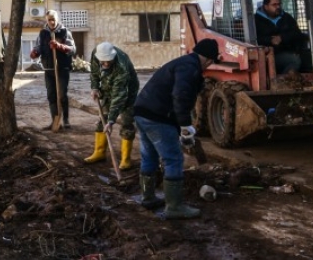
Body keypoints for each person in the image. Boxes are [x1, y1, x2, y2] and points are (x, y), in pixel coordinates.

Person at [132, 38, 220, 219]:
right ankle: (174, 207)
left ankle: (147, 198)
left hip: (142, 112)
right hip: (157, 117)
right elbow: (181, 96)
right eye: (211, 61)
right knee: (173, 159)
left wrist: (181, 126)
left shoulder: (183, 63)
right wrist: (185, 125)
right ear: (208, 59)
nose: (209, 65)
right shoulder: (190, 68)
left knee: (149, 156)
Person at [84, 42, 139, 170]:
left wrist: (111, 120)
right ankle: (99, 152)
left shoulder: (121, 67)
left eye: (109, 61)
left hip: (127, 92)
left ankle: (126, 159)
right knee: (102, 119)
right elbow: (94, 73)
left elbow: (118, 97)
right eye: (104, 62)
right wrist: (95, 87)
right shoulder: (95, 54)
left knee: (126, 122)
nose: (106, 64)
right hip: (107, 86)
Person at [30, 10, 76, 129]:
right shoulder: (43, 33)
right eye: (49, 19)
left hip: (62, 69)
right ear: (47, 20)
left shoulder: (65, 32)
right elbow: (38, 47)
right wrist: (35, 53)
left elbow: (73, 49)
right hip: (49, 69)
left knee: (61, 95)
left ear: (57, 19)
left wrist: (60, 46)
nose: (52, 21)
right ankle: (55, 121)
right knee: (51, 95)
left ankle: (65, 120)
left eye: (53, 19)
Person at [254, 0, 306, 74]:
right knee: (294, 60)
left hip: (288, 51)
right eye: (274, 5)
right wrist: (270, 40)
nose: (278, 7)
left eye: (279, 4)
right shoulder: (255, 21)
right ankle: (284, 81)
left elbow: (297, 33)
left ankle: (286, 78)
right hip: (265, 56)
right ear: (266, 6)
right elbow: (254, 39)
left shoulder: (286, 17)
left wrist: (282, 38)